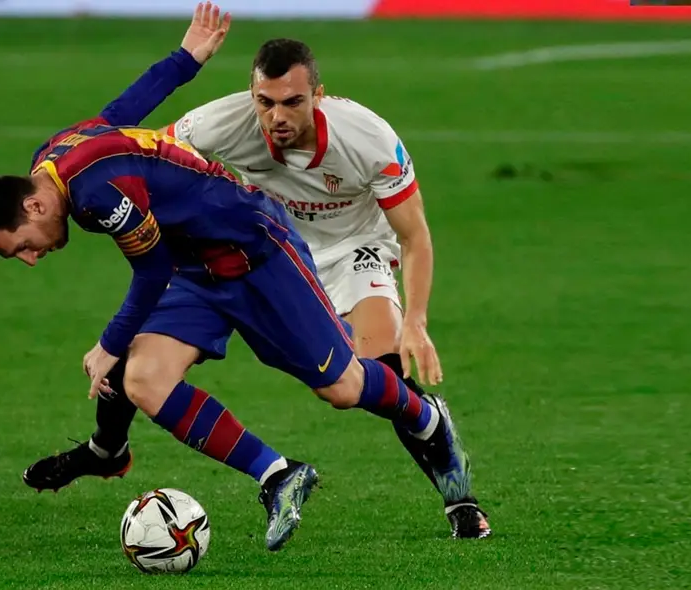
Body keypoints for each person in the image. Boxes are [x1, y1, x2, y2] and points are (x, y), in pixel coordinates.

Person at [0, 3, 471, 551]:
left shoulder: (93, 196)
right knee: (143, 377)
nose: (32, 258)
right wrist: (185, 59)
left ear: (33, 209)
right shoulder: (54, 159)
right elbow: (120, 113)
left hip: (258, 252)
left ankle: (424, 414)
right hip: (197, 265)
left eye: (22, 249)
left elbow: (150, 266)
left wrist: (109, 341)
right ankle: (278, 475)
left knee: (344, 387)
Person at [159, 38, 491, 539]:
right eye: (265, 102)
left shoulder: (368, 138)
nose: (277, 117)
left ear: (318, 95)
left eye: (293, 101)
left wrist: (417, 323)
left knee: (385, 366)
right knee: (337, 392)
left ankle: (459, 500)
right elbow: (150, 157)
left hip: (358, 248)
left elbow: (414, 234)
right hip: (277, 254)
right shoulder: (218, 123)